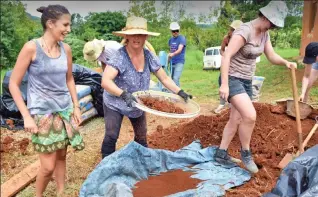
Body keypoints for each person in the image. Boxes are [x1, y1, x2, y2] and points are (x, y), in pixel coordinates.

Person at [9, 5, 84, 196]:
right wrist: (26, 116)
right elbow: (13, 84)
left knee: (61, 155)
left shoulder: (65, 49)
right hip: (43, 113)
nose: (69, 29)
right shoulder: (31, 48)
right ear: (50, 24)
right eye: (65, 24)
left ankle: (60, 191)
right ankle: (38, 195)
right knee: (47, 166)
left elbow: (69, 78)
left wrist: (76, 106)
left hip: (64, 110)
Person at [215, 1, 297, 173]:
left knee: (235, 119)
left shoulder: (265, 34)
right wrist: (224, 84)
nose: (273, 27)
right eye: (272, 23)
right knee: (250, 116)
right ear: (265, 16)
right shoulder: (245, 30)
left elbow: (271, 55)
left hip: (246, 80)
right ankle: (246, 153)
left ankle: (221, 153)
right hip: (232, 78)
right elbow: (226, 55)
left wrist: (286, 62)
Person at [101, 16, 192, 158]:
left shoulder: (148, 55)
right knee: (112, 135)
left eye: (141, 35)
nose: (137, 38)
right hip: (115, 101)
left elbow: (165, 78)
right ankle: (105, 167)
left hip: (137, 102)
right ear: (126, 36)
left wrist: (179, 91)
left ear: (145, 37)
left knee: (142, 137)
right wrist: (123, 94)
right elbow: (106, 81)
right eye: (133, 35)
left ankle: (142, 164)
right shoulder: (120, 56)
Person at [214, 20, 243, 114]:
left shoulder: (242, 39)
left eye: (234, 30)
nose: (232, 31)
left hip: (238, 66)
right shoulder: (226, 38)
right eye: (232, 29)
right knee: (222, 80)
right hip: (228, 63)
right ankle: (222, 104)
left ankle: (233, 105)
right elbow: (221, 50)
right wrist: (226, 55)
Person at [168, 22, 186, 87]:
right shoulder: (170, 40)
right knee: (173, 79)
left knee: (176, 78)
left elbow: (180, 49)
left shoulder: (182, 38)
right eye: (174, 31)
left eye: (177, 31)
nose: (175, 32)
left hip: (179, 61)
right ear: (171, 31)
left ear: (179, 30)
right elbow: (170, 50)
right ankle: (176, 93)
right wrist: (168, 60)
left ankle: (178, 94)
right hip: (172, 62)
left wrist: (173, 54)